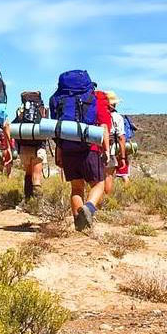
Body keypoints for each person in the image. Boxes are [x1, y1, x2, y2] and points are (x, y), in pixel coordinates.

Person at [53, 78, 110, 232]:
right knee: (99, 184)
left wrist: (59, 153)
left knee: (76, 188)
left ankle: (80, 225)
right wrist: (106, 149)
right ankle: (89, 207)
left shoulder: (60, 99)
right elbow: (104, 126)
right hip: (90, 149)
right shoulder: (95, 98)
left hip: (67, 149)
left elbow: (57, 131)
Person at [104, 91, 127, 195]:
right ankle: (106, 200)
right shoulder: (117, 117)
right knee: (108, 176)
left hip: (94, 149)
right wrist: (122, 157)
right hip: (110, 150)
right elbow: (121, 137)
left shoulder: (96, 114)